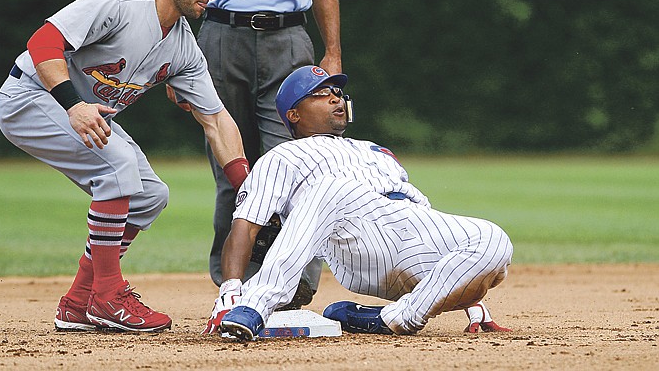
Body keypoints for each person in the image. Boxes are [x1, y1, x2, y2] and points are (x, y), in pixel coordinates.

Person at [0, 0, 249, 333]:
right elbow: (43, 41)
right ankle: (108, 296)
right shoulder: (118, 2)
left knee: (150, 196)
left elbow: (216, 120)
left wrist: (249, 191)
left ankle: (79, 302)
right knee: (117, 165)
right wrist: (73, 104)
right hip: (30, 95)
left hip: (84, 112)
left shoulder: (183, 45)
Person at [208, 65, 513, 339]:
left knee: (494, 239)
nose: (335, 99)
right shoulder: (281, 157)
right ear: (294, 115)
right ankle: (255, 305)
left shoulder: (374, 150)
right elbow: (245, 225)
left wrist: (471, 299)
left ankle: (395, 318)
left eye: (337, 93)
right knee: (331, 188)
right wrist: (231, 290)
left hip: (408, 226)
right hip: (355, 241)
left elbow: (426, 222)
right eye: (319, 94)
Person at [147, 0, 348, 312]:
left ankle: (292, 289)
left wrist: (333, 53)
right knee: (231, 166)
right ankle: (234, 288)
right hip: (220, 36)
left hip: (289, 37)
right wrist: (168, 59)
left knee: (299, 170)